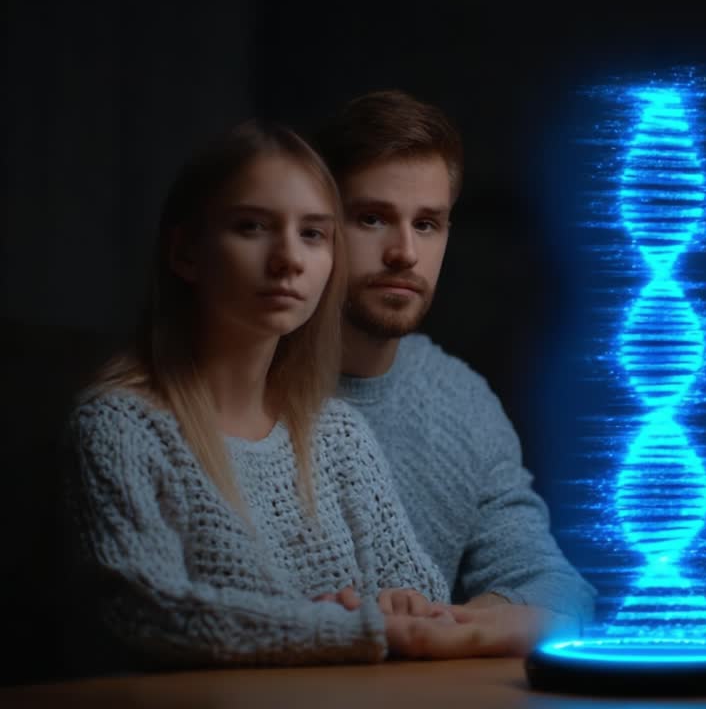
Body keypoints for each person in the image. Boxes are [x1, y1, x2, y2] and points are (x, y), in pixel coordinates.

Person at [60, 120, 493, 674]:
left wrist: (398, 608)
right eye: (252, 227)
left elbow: (425, 608)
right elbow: (149, 611)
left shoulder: (337, 434)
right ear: (186, 252)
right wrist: (349, 626)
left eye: (313, 233)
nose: (288, 258)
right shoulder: (120, 427)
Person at [311, 90, 595, 655]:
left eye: (427, 224)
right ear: (317, 225)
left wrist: (449, 625)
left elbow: (559, 589)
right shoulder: (239, 385)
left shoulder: (460, 398)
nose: (404, 253)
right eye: (372, 218)